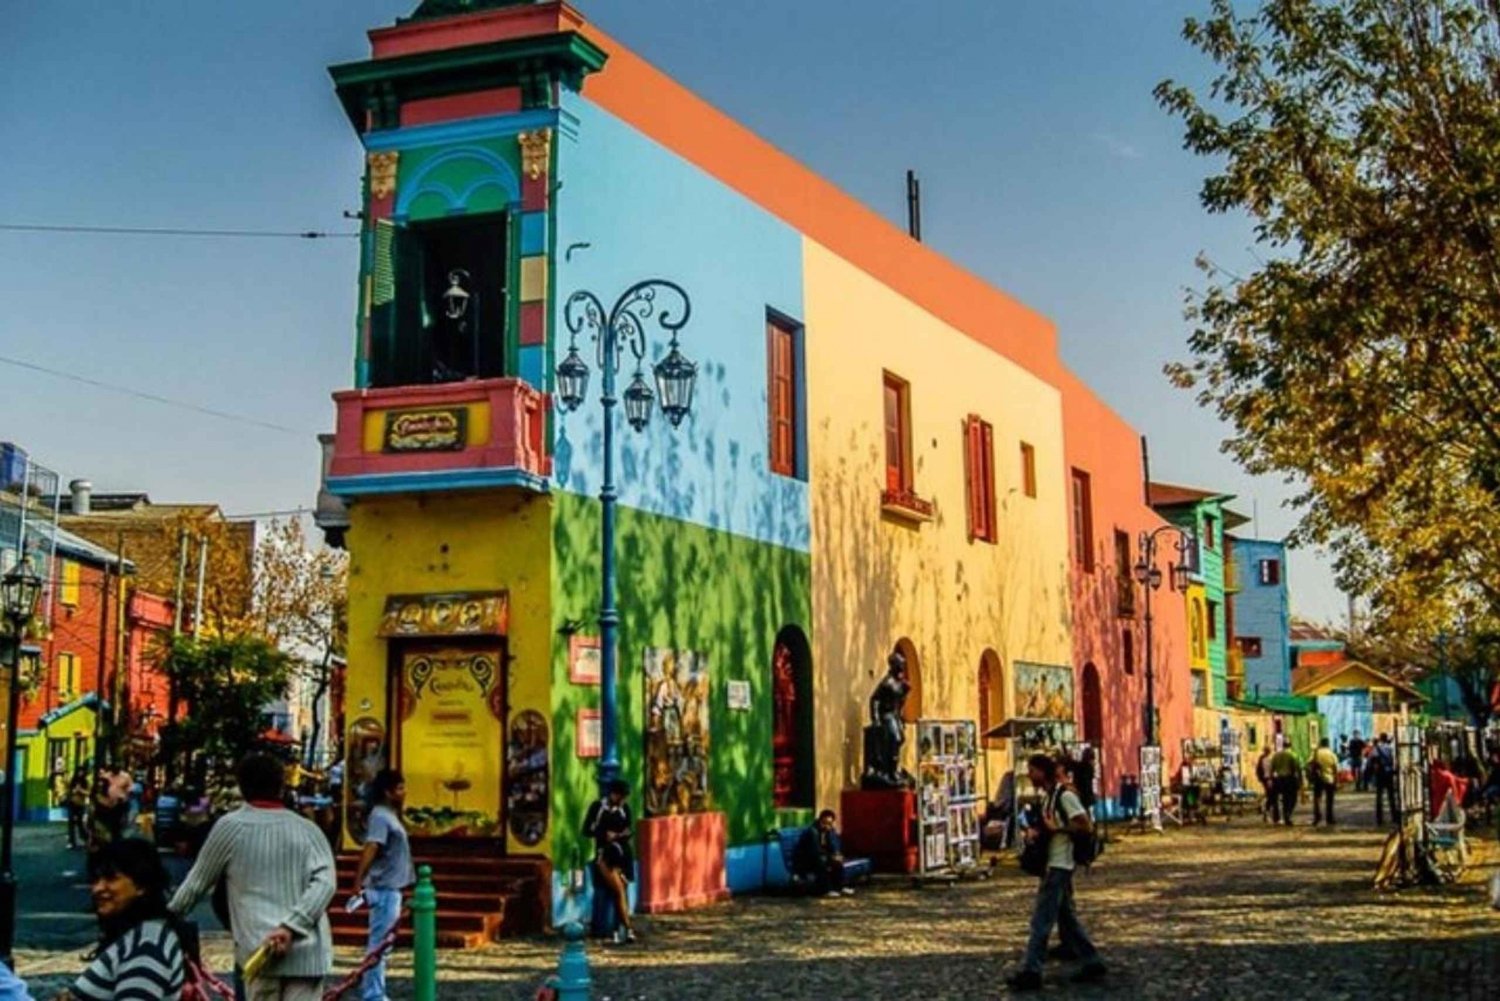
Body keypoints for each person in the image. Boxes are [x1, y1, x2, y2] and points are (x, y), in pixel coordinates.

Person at [170, 754, 336, 1001]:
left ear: (242, 786)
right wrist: (293, 925)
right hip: (308, 954)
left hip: (259, 951)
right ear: (281, 786)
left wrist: (163, 918)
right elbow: (326, 883)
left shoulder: (230, 828)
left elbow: (195, 885)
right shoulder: (308, 830)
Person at [1006, 753, 1106, 993]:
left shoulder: (1066, 795)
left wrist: (1057, 828)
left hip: (1060, 866)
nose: (1030, 776)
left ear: (1042, 771)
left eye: (1032, 771)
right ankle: (1092, 961)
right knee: (1067, 920)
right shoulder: (1049, 797)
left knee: (1041, 921)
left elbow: (1085, 824)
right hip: (1052, 865)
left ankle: (1032, 971)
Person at [63, 838, 188, 1000]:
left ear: (141, 885)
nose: (98, 889)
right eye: (95, 880)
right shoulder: (137, 935)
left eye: (111, 878)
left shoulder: (146, 947)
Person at [351, 769, 414, 1001]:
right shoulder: (380, 816)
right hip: (383, 888)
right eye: (399, 788)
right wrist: (358, 880)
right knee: (379, 944)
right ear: (388, 792)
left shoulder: (390, 815)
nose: (404, 792)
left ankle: (375, 989)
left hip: (392, 887)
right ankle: (373, 994)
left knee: (383, 944)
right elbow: (372, 847)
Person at [582, 779, 637, 945]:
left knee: (620, 892)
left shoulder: (625, 809)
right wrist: (604, 834)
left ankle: (615, 930)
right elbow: (586, 830)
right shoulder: (598, 807)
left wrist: (622, 834)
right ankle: (627, 928)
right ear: (613, 794)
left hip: (622, 855)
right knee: (618, 890)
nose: (623, 800)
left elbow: (628, 829)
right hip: (605, 855)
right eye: (621, 796)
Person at [792, 810, 855, 898]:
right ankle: (826, 890)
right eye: (824, 823)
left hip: (820, 857)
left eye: (829, 823)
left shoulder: (829, 831)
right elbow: (814, 851)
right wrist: (830, 857)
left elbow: (834, 844)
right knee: (821, 862)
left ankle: (839, 887)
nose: (827, 826)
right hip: (806, 860)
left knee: (837, 862)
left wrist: (836, 854)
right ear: (820, 821)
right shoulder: (812, 832)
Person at [1308, 738, 1340, 827]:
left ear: (1321, 743)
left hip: (1318, 779)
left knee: (1317, 798)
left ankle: (1317, 817)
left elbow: (1309, 763)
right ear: (1328, 744)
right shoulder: (1332, 754)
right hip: (1329, 779)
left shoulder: (1316, 753)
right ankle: (1329, 818)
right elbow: (1335, 768)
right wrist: (1337, 781)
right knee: (1330, 800)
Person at [1268, 743, 1302, 826]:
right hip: (1289, 779)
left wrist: (1271, 779)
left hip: (1278, 779)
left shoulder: (1276, 756)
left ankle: (1278, 816)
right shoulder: (1291, 755)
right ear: (1290, 746)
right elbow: (1296, 768)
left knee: (1280, 798)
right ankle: (1287, 814)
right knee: (1291, 798)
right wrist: (1299, 780)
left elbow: (1271, 768)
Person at [1372, 733, 1399, 826]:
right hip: (1389, 772)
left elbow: (1374, 761)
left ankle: (1379, 818)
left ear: (1380, 738)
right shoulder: (1391, 748)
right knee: (1391, 796)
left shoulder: (1377, 748)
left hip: (1380, 773)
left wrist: (1375, 773)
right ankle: (1394, 816)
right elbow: (1395, 760)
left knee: (1379, 796)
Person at [67, 767, 91, 851]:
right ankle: (71, 841)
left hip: (80, 804)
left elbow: (88, 793)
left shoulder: (85, 782)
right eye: (79, 772)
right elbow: (69, 791)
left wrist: (80, 790)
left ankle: (85, 838)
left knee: (80, 823)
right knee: (71, 823)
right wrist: (73, 791)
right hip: (72, 803)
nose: (80, 774)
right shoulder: (72, 781)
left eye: (82, 772)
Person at [1255, 747, 1275, 822]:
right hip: (1268, 779)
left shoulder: (1261, 759)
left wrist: (1260, 778)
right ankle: (1266, 810)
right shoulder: (1268, 759)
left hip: (1265, 779)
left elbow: (1258, 770)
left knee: (1268, 795)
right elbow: (1270, 770)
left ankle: (1266, 810)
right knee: (1270, 796)